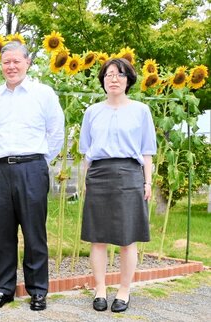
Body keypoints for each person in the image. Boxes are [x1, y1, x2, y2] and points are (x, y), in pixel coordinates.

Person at [0, 41, 65, 311]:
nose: (11, 66)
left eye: (16, 61)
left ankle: (38, 291)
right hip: (0, 171)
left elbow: (57, 132)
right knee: (3, 234)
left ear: (27, 63)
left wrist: (40, 161)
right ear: (1, 65)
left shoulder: (43, 94)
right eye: (6, 62)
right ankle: (4, 289)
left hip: (32, 169)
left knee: (34, 233)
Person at [79, 58, 157, 313]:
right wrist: (86, 181)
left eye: (120, 74)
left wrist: (147, 182)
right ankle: (100, 289)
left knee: (127, 239)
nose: (114, 79)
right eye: (109, 74)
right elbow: (87, 154)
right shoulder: (92, 112)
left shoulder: (141, 110)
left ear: (128, 80)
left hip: (129, 175)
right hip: (99, 174)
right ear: (102, 80)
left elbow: (147, 152)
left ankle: (124, 291)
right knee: (97, 238)